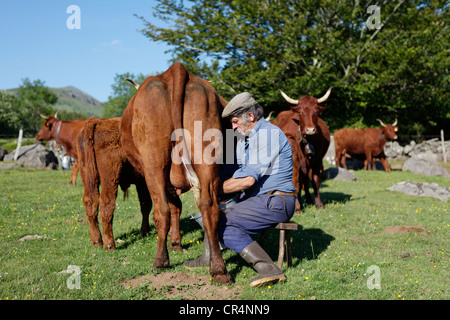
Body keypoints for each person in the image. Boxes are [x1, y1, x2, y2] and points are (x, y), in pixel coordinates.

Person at [184, 92, 296, 287]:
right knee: (213, 212)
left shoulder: (267, 134)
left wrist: (209, 188)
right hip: (260, 201)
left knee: (218, 222)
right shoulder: (246, 141)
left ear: (250, 117)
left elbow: (247, 180)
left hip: (277, 202)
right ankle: (209, 255)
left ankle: (268, 268)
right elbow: (230, 172)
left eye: (235, 121)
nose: (233, 127)